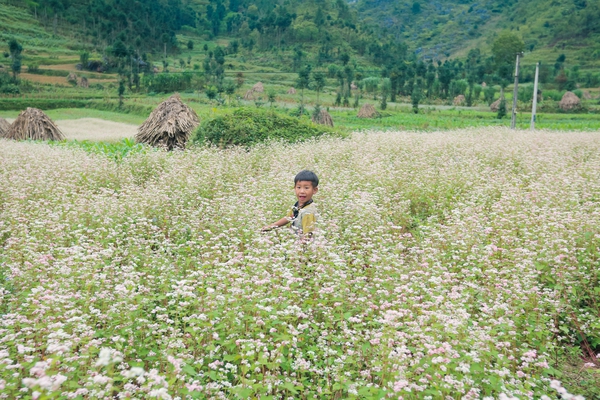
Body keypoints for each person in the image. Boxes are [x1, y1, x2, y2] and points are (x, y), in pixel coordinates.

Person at [262, 170, 319, 237]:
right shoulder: (297, 205)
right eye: (299, 187)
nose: (302, 191)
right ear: (294, 188)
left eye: (306, 188)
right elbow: (289, 217)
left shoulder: (308, 212)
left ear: (314, 190)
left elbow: (308, 236)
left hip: (303, 244)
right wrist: (270, 227)